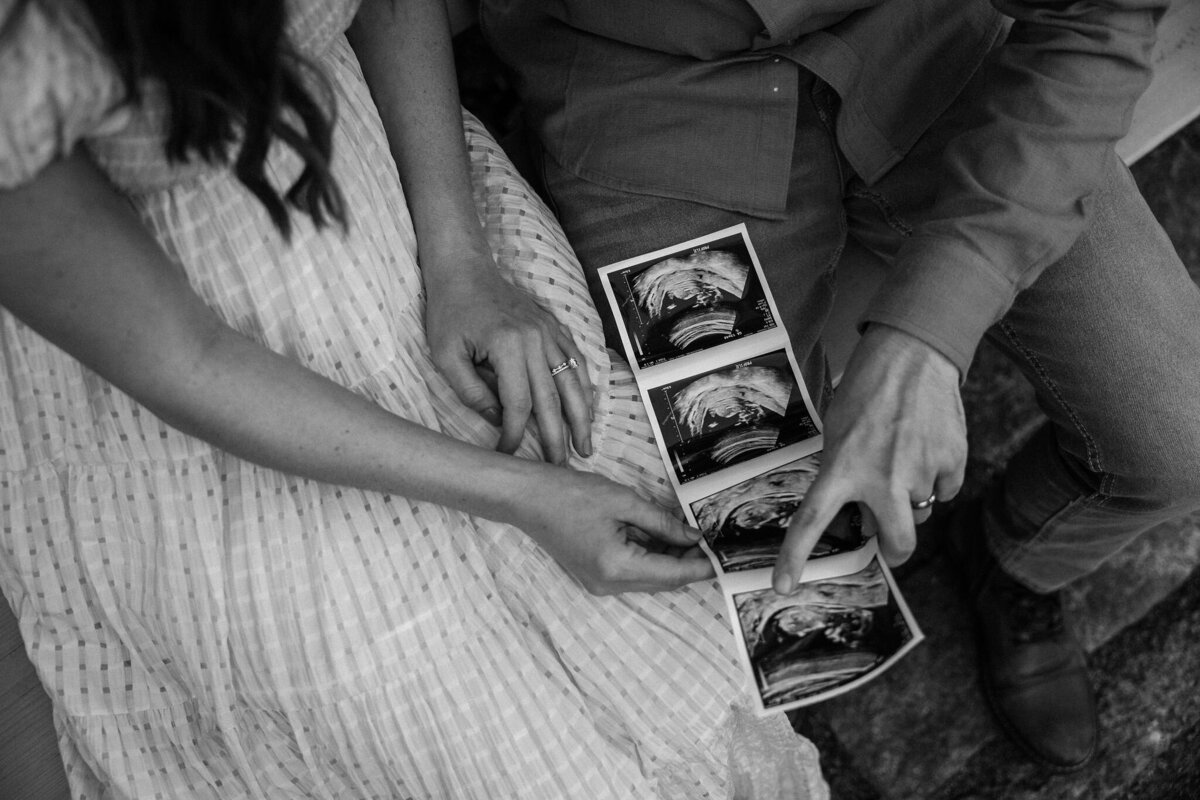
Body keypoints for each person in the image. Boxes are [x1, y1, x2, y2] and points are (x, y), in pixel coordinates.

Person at [0, 0, 829, 796]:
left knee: (664, 616)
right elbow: (187, 358)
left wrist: (461, 258)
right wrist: (527, 495)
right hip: (184, 358)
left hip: (403, 188)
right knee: (431, 711)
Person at [479, 0, 1200, 772]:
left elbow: (1105, 16)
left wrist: (930, 332)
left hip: (927, 39)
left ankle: (1014, 558)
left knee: (1178, 444)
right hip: (645, 88)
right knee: (762, 561)